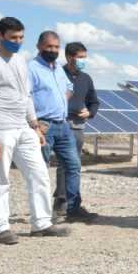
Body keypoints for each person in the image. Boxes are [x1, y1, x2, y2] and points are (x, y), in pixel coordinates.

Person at [0, 17, 68, 244]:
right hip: (1, 129)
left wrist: (35, 126)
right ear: (0, 35)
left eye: (20, 38)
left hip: (23, 127)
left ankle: (42, 223)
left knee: (39, 174)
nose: (17, 42)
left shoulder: (20, 60)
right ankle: (0, 228)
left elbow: (26, 95)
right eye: (12, 38)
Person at [29, 31, 97, 223]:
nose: (53, 50)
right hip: (44, 125)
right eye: (49, 47)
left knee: (73, 166)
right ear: (39, 47)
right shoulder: (31, 68)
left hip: (63, 125)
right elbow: (25, 96)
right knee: (40, 169)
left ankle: (72, 209)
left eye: (56, 47)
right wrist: (35, 121)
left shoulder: (57, 69)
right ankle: (43, 214)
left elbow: (69, 89)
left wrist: (61, 103)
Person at [53, 42, 99, 216]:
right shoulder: (58, 74)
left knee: (74, 164)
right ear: (69, 57)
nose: (82, 61)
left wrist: (90, 112)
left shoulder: (86, 78)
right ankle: (63, 201)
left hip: (79, 126)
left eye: (84, 58)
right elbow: (56, 100)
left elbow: (94, 101)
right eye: (80, 57)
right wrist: (72, 110)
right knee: (65, 164)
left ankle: (68, 203)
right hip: (62, 124)